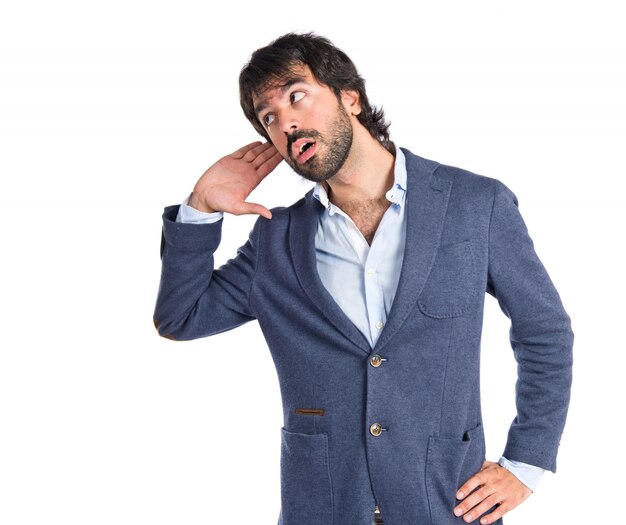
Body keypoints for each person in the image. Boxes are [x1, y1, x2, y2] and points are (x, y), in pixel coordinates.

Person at [153, 33, 573, 525]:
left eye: (295, 96)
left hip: (447, 502)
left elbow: (543, 330)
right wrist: (201, 208)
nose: (285, 122)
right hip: (325, 506)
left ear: (350, 97)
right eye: (268, 117)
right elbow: (181, 317)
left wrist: (526, 462)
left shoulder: (474, 204)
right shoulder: (276, 239)